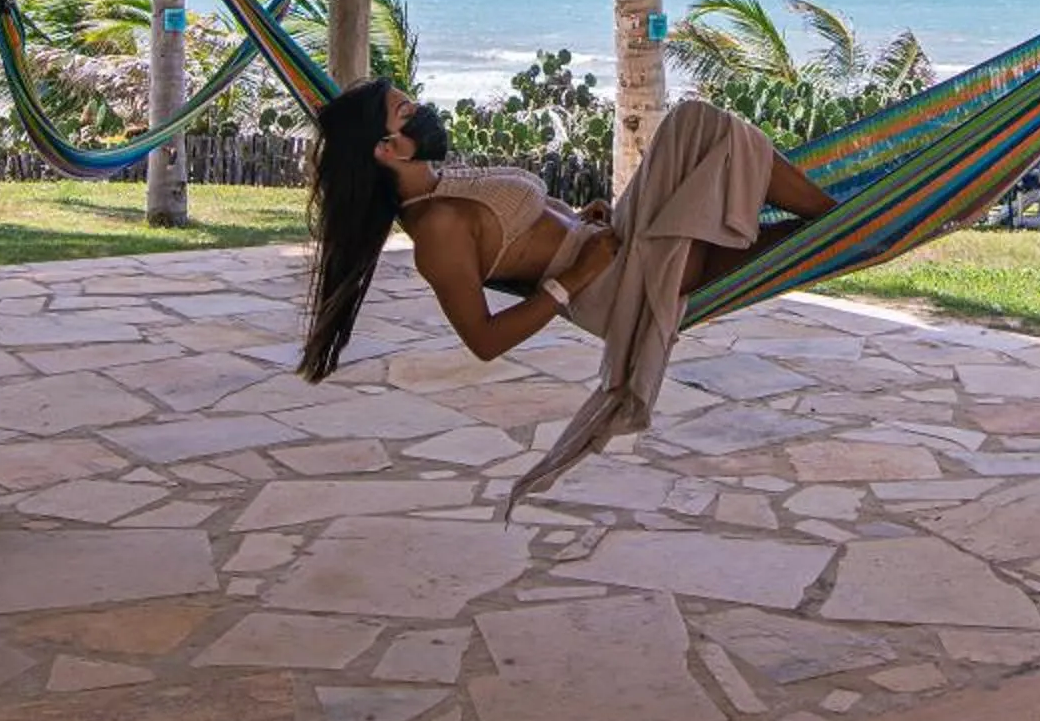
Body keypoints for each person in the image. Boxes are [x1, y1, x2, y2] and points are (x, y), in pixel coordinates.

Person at [299, 79, 837, 504]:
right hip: (617, 283)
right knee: (702, 127)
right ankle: (846, 221)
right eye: (407, 112)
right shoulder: (435, 232)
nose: (423, 110)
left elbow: (521, 236)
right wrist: (575, 275)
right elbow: (483, 340)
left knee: (698, 131)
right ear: (389, 149)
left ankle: (841, 226)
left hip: (613, 244)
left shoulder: (442, 183)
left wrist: (575, 219)